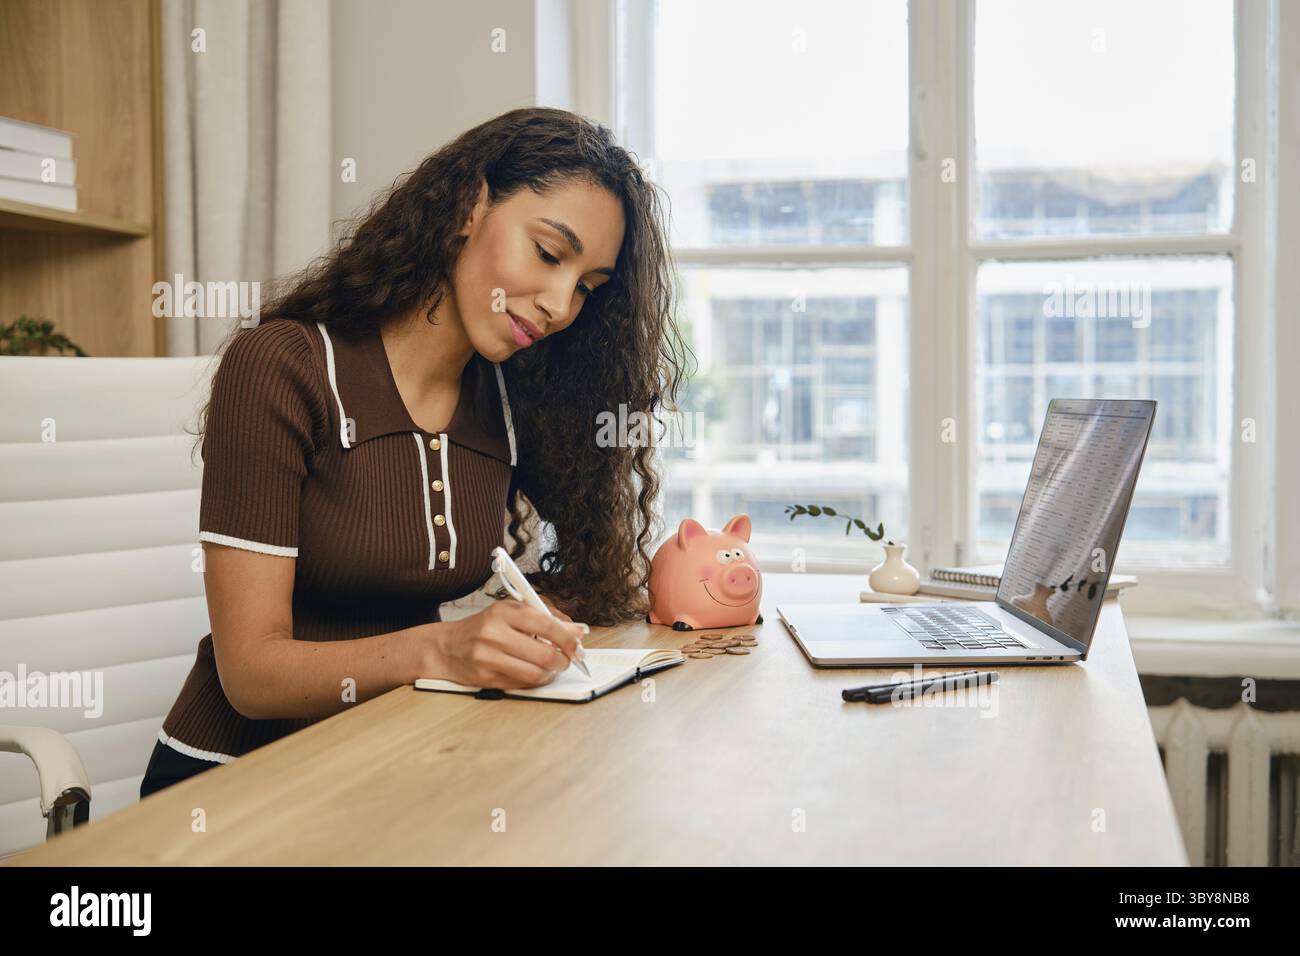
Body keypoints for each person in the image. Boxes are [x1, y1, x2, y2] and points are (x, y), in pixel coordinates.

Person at [140, 107, 690, 798]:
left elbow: (597, 571)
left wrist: (692, 576)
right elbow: (249, 676)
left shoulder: (509, 395)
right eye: (549, 253)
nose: (559, 304)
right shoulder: (282, 367)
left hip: (395, 760)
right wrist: (444, 649)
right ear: (469, 205)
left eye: (586, 288)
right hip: (234, 783)